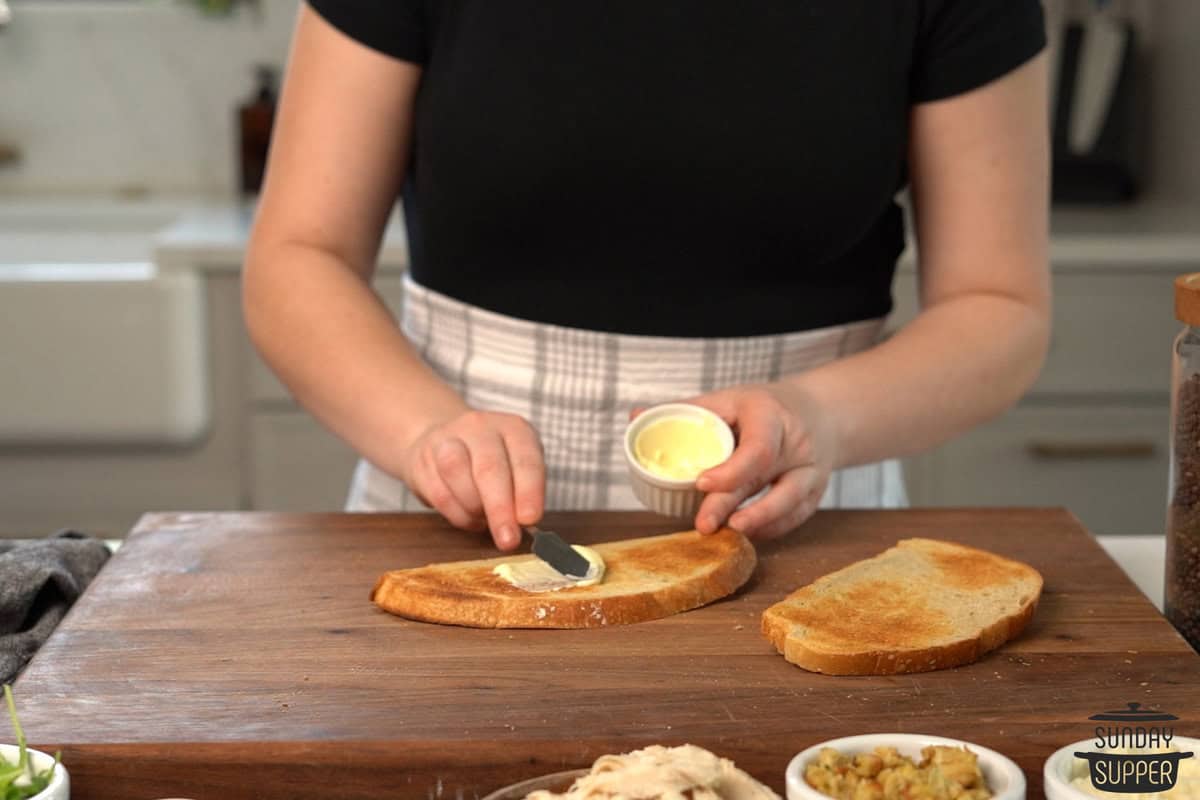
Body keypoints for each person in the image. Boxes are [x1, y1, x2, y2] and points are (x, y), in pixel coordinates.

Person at [244, 1, 1051, 551]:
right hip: (453, 535)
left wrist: (819, 417)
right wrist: (424, 432)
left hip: (810, 537)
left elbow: (999, 308)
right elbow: (297, 256)